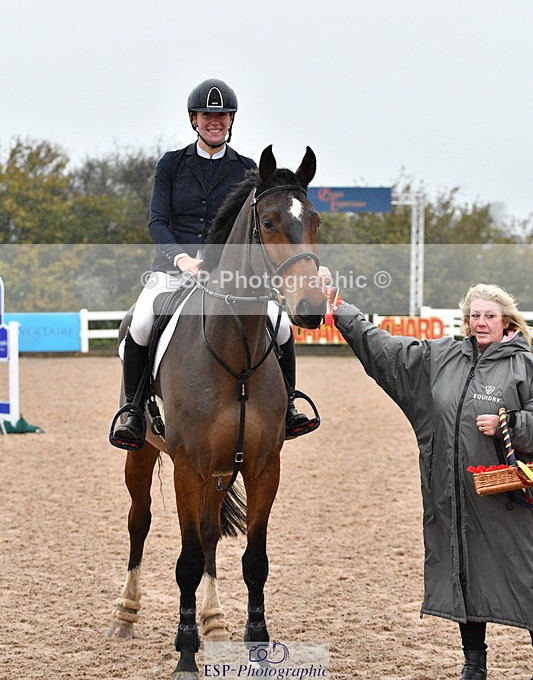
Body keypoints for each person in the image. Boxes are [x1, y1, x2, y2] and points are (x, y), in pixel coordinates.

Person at [326, 281, 533, 680]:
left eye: (489, 316)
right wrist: (344, 315)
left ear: (506, 320)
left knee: (526, 575)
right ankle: (474, 663)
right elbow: (388, 351)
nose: (481, 322)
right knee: (463, 570)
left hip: (508, 499)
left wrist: (510, 423)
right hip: (453, 494)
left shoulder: (525, 365)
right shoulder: (443, 357)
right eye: (475, 315)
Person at [111, 78, 314, 450]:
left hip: (228, 273)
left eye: (221, 116)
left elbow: (255, 227)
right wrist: (182, 258)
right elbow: (157, 222)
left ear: (231, 120)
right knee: (140, 323)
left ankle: (289, 407)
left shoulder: (248, 169)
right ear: (194, 119)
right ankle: (133, 412)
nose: (214, 122)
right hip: (172, 269)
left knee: (281, 325)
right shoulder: (172, 164)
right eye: (207, 115)